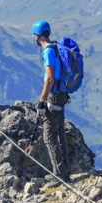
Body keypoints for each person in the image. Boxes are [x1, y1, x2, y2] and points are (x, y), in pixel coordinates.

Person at [32, 21, 70, 182]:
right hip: (62, 95)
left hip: (53, 96)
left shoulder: (48, 51)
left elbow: (49, 78)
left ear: (36, 36)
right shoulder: (56, 48)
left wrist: (41, 101)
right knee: (60, 133)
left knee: (49, 136)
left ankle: (59, 175)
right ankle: (64, 171)